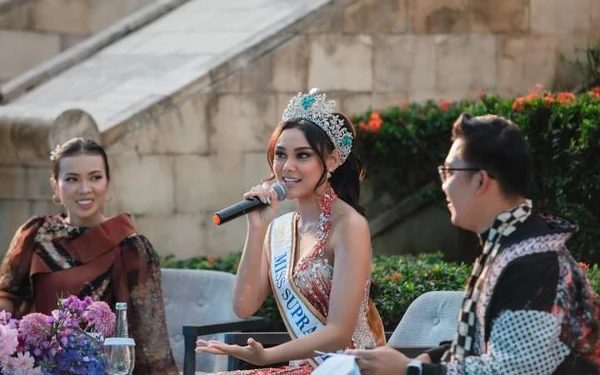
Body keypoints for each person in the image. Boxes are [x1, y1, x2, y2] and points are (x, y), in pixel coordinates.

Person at [347, 113, 600, 375]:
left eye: (450, 172)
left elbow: (514, 369)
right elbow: (480, 346)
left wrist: (411, 370)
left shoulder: (534, 263)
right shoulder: (512, 244)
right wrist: (426, 359)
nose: (444, 185)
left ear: (481, 181)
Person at [196, 88, 386, 373]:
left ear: (332, 161)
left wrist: (267, 357)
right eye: (281, 155)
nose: (288, 166)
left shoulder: (349, 226)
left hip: (349, 367)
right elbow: (244, 306)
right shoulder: (280, 229)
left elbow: (338, 333)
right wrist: (257, 228)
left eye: (303, 155)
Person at [0, 138, 178, 375]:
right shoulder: (35, 234)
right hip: (38, 365)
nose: (85, 189)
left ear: (108, 182)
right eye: (72, 179)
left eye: (95, 177)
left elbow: (148, 335)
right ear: (55, 186)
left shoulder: (130, 247)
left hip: (101, 368)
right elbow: (7, 298)